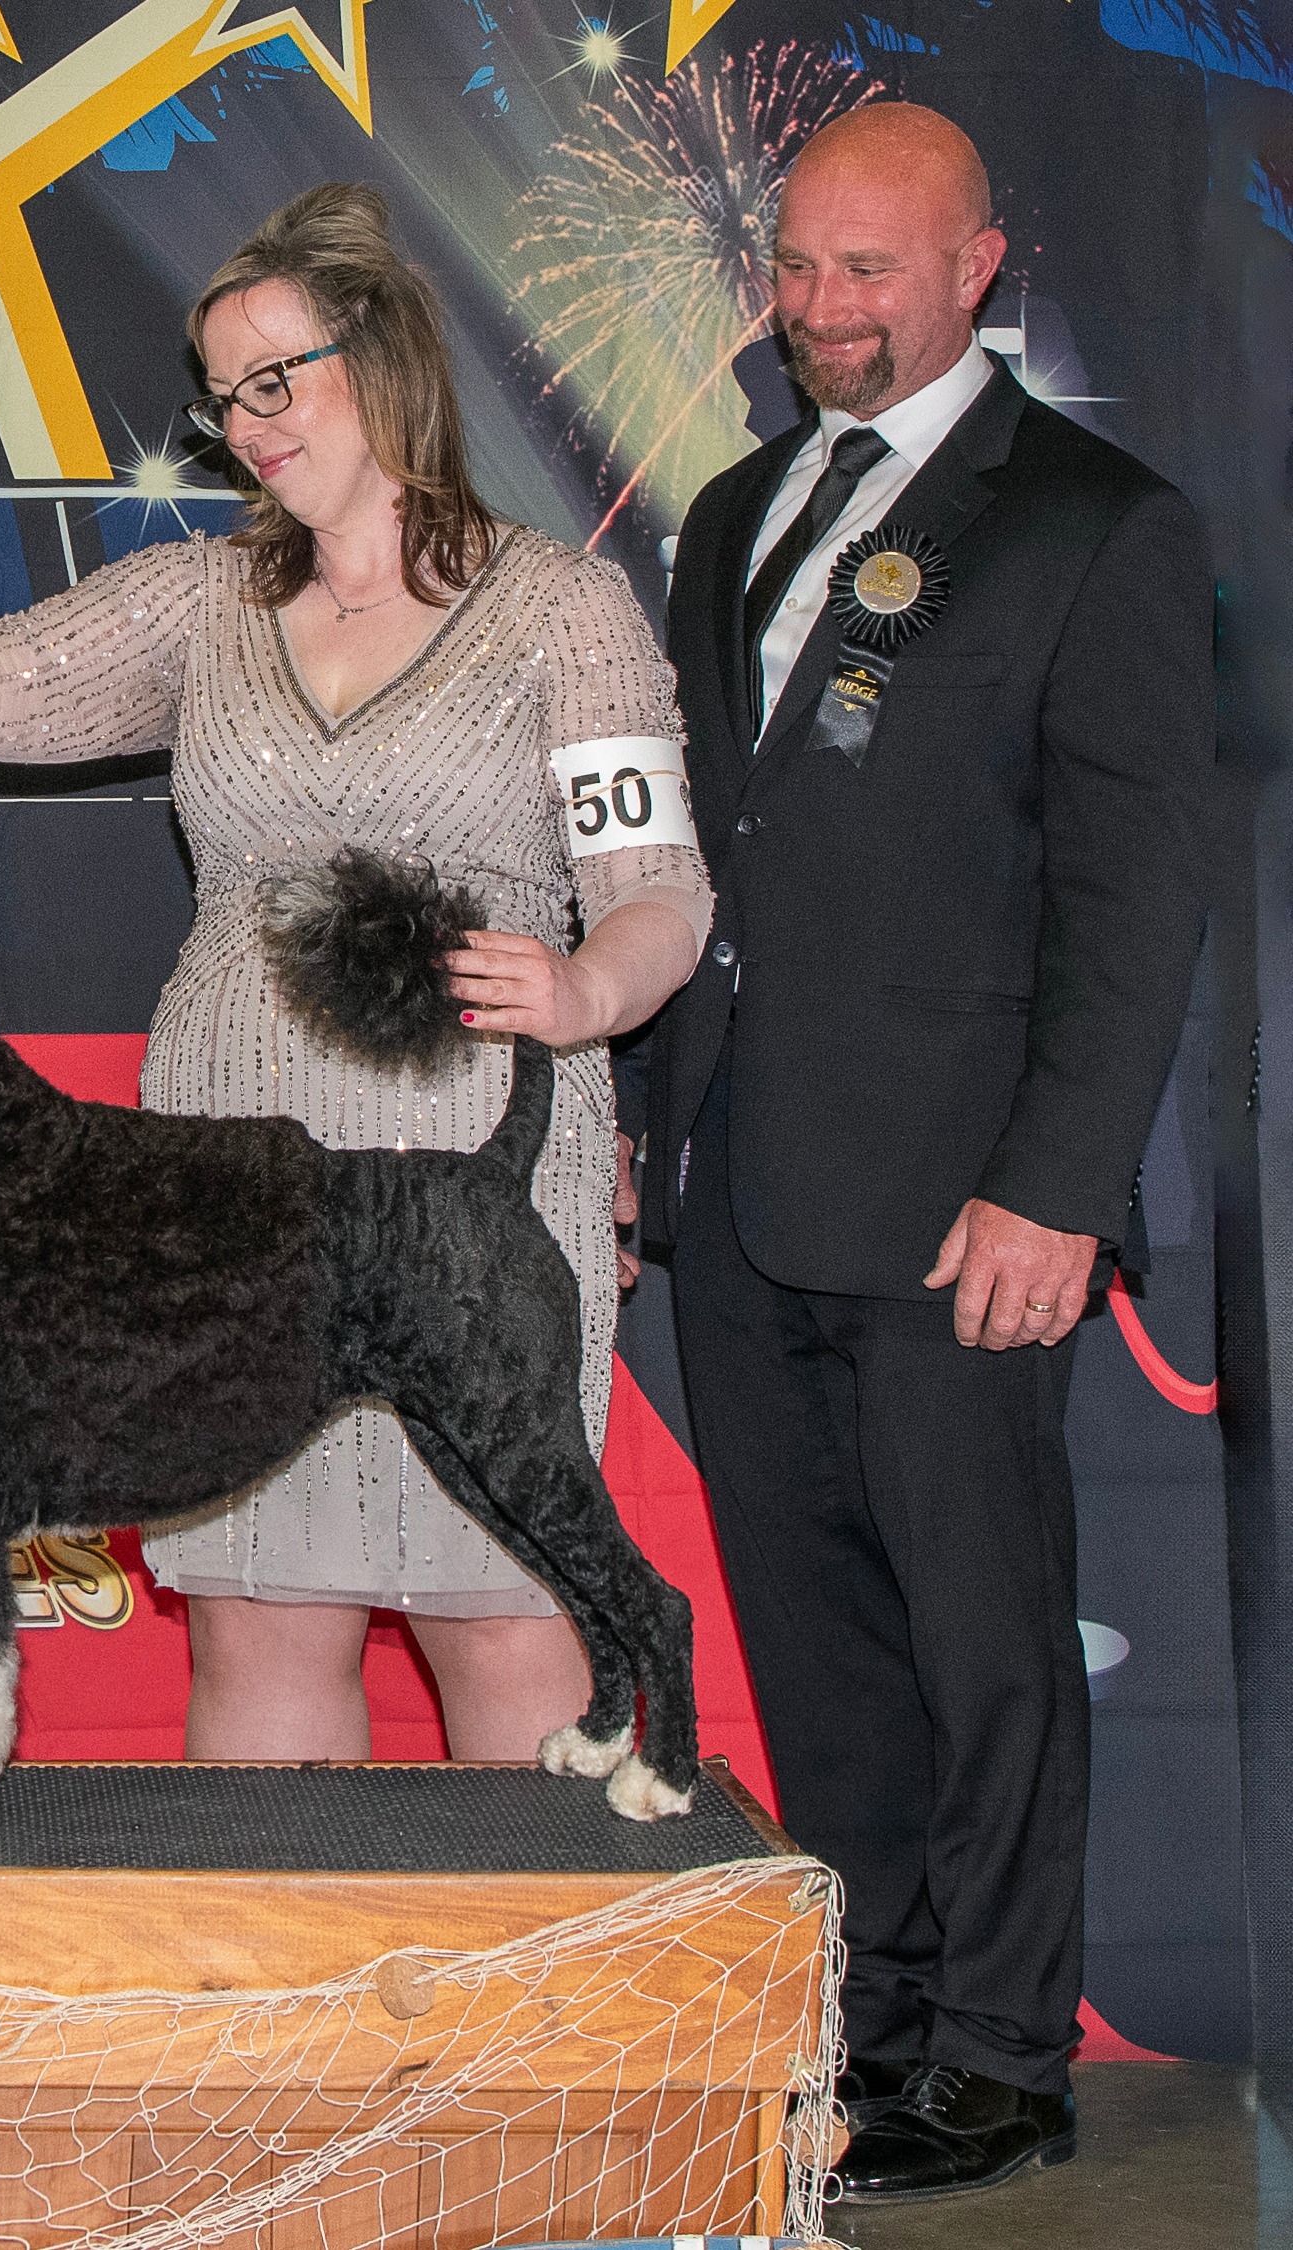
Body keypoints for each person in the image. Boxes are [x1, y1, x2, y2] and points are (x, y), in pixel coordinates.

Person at [0, 185, 712, 1767]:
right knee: (258, 1612)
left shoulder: (563, 606)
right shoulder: (198, 597)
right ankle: (273, 1944)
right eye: (223, 398)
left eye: (275, 380)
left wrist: (585, 994)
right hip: (224, 1179)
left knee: (507, 1600)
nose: (246, 426)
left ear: (384, 356)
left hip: (472, 1148)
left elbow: (660, 891)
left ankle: (545, 1928)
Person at [629, 104, 1211, 2198]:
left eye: (868, 269)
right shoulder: (732, 512)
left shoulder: (1097, 526)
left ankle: (1000, 2054)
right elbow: (708, 853)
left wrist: (1058, 1186)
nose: (821, 308)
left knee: (986, 1646)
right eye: (796, 266)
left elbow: (1136, 901)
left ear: (978, 267)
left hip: (969, 1202)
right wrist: (645, 1125)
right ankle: (874, 2026)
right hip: (741, 1185)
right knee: (818, 1650)